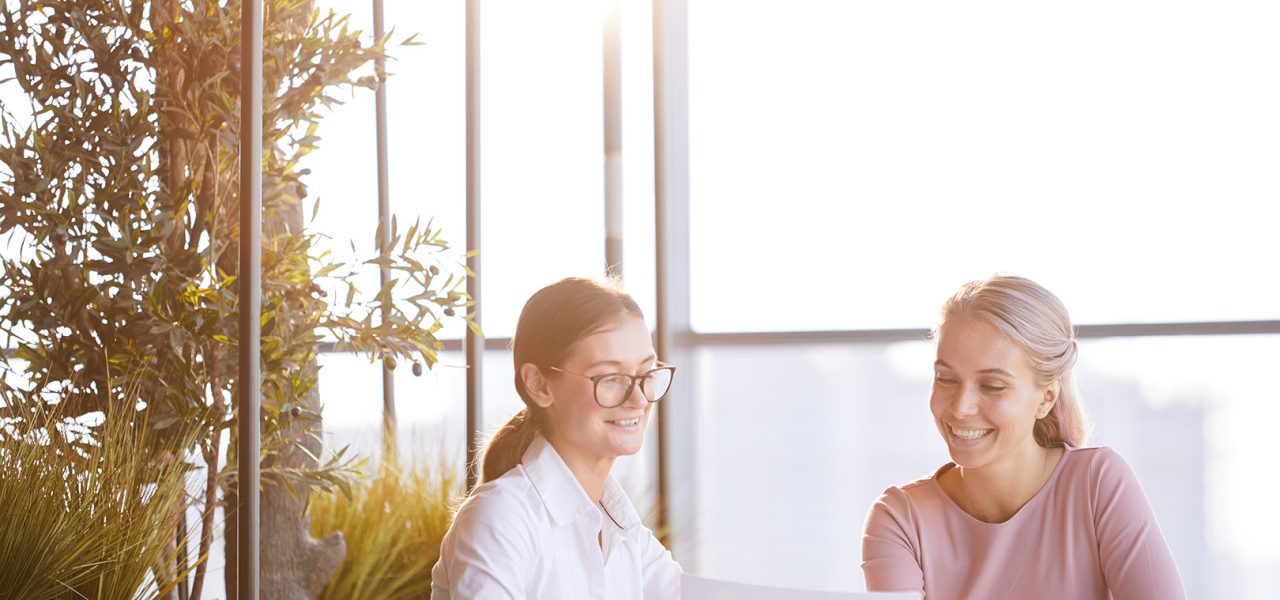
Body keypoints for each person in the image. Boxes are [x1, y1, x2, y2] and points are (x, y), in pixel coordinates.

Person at [861, 275, 1184, 599]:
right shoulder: (900, 518)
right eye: (946, 379)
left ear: (1045, 398)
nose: (961, 407)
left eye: (992, 386)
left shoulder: (1097, 482)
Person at [431, 277, 681, 599]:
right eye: (611, 378)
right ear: (539, 385)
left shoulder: (624, 531)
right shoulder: (501, 517)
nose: (638, 399)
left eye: (646, 373)